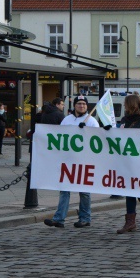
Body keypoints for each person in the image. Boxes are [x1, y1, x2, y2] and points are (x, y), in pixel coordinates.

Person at [44, 96, 100, 228]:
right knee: (64, 190)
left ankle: (85, 218)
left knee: (84, 191)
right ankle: (59, 219)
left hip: (84, 161)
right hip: (68, 160)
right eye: (79, 104)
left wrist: (86, 131)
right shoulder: (67, 120)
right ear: (74, 105)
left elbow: (97, 140)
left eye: (84, 104)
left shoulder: (92, 121)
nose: (82, 106)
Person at [116, 95, 140, 234]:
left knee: (137, 189)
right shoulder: (125, 119)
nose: (124, 107)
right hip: (127, 160)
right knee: (130, 190)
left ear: (131, 104)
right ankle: (130, 222)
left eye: (126, 104)